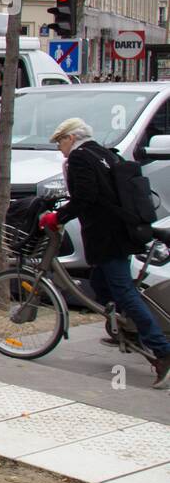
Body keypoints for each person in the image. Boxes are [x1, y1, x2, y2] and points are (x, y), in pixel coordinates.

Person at [41, 118, 170, 388]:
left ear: (71, 138)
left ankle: (162, 352)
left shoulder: (79, 158)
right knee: (100, 284)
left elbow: (85, 197)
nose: (59, 149)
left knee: (123, 291)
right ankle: (126, 328)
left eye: (60, 142)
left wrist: (58, 217)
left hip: (108, 236)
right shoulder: (102, 152)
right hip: (122, 230)